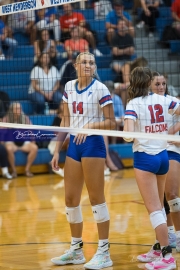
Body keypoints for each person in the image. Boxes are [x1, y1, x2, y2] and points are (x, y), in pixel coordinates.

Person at [51, 52, 116, 269]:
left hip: (93, 144)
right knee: (70, 199)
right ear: (76, 65)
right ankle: (76, 250)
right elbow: (65, 120)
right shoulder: (69, 87)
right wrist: (56, 149)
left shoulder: (100, 88)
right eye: (84, 62)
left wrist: (88, 127)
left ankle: (104, 251)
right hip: (74, 146)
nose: (88, 65)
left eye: (91, 62)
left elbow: (111, 123)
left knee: (96, 198)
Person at [123, 67, 180, 270]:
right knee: (160, 206)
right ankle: (158, 247)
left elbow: (128, 136)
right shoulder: (163, 99)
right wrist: (168, 130)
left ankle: (167, 257)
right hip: (163, 157)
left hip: (145, 159)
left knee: (155, 209)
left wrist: (127, 127)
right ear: (148, 83)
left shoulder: (133, 104)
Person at [151, 71, 180, 252]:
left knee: (172, 194)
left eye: (163, 83)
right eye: (157, 84)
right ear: (150, 86)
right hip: (153, 151)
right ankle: (169, 236)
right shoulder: (146, 103)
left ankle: (179, 234)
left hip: (171, 149)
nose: (161, 87)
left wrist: (174, 129)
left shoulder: (172, 101)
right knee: (159, 199)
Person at [2, 102, 38, 178]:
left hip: (24, 142)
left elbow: (31, 131)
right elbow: (2, 133)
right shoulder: (6, 119)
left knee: (34, 148)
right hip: (11, 142)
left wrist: (33, 141)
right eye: (17, 108)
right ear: (12, 110)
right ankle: (14, 171)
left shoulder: (25, 118)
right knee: (8, 148)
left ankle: (27, 170)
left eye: (20, 108)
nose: (19, 110)